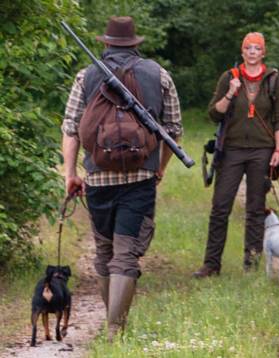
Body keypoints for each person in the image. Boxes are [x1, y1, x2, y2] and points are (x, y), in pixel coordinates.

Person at [61, 16, 183, 338]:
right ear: (135, 44)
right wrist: (160, 167)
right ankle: (116, 329)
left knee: (104, 251)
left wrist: (71, 174)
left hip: (98, 179)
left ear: (105, 43)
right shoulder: (160, 75)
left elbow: (71, 130)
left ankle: (112, 324)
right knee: (126, 253)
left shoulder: (85, 75)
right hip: (140, 179)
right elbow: (174, 130)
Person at [193, 32, 279, 278]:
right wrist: (230, 93)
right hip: (232, 149)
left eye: (257, 48)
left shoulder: (273, 80)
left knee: (256, 209)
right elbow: (214, 114)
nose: (253, 52)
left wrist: (278, 150)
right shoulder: (229, 77)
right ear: (242, 52)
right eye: (248, 48)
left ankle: (252, 265)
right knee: (220, 206)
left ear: (263, 52)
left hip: (262, 150)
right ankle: (211, 264)